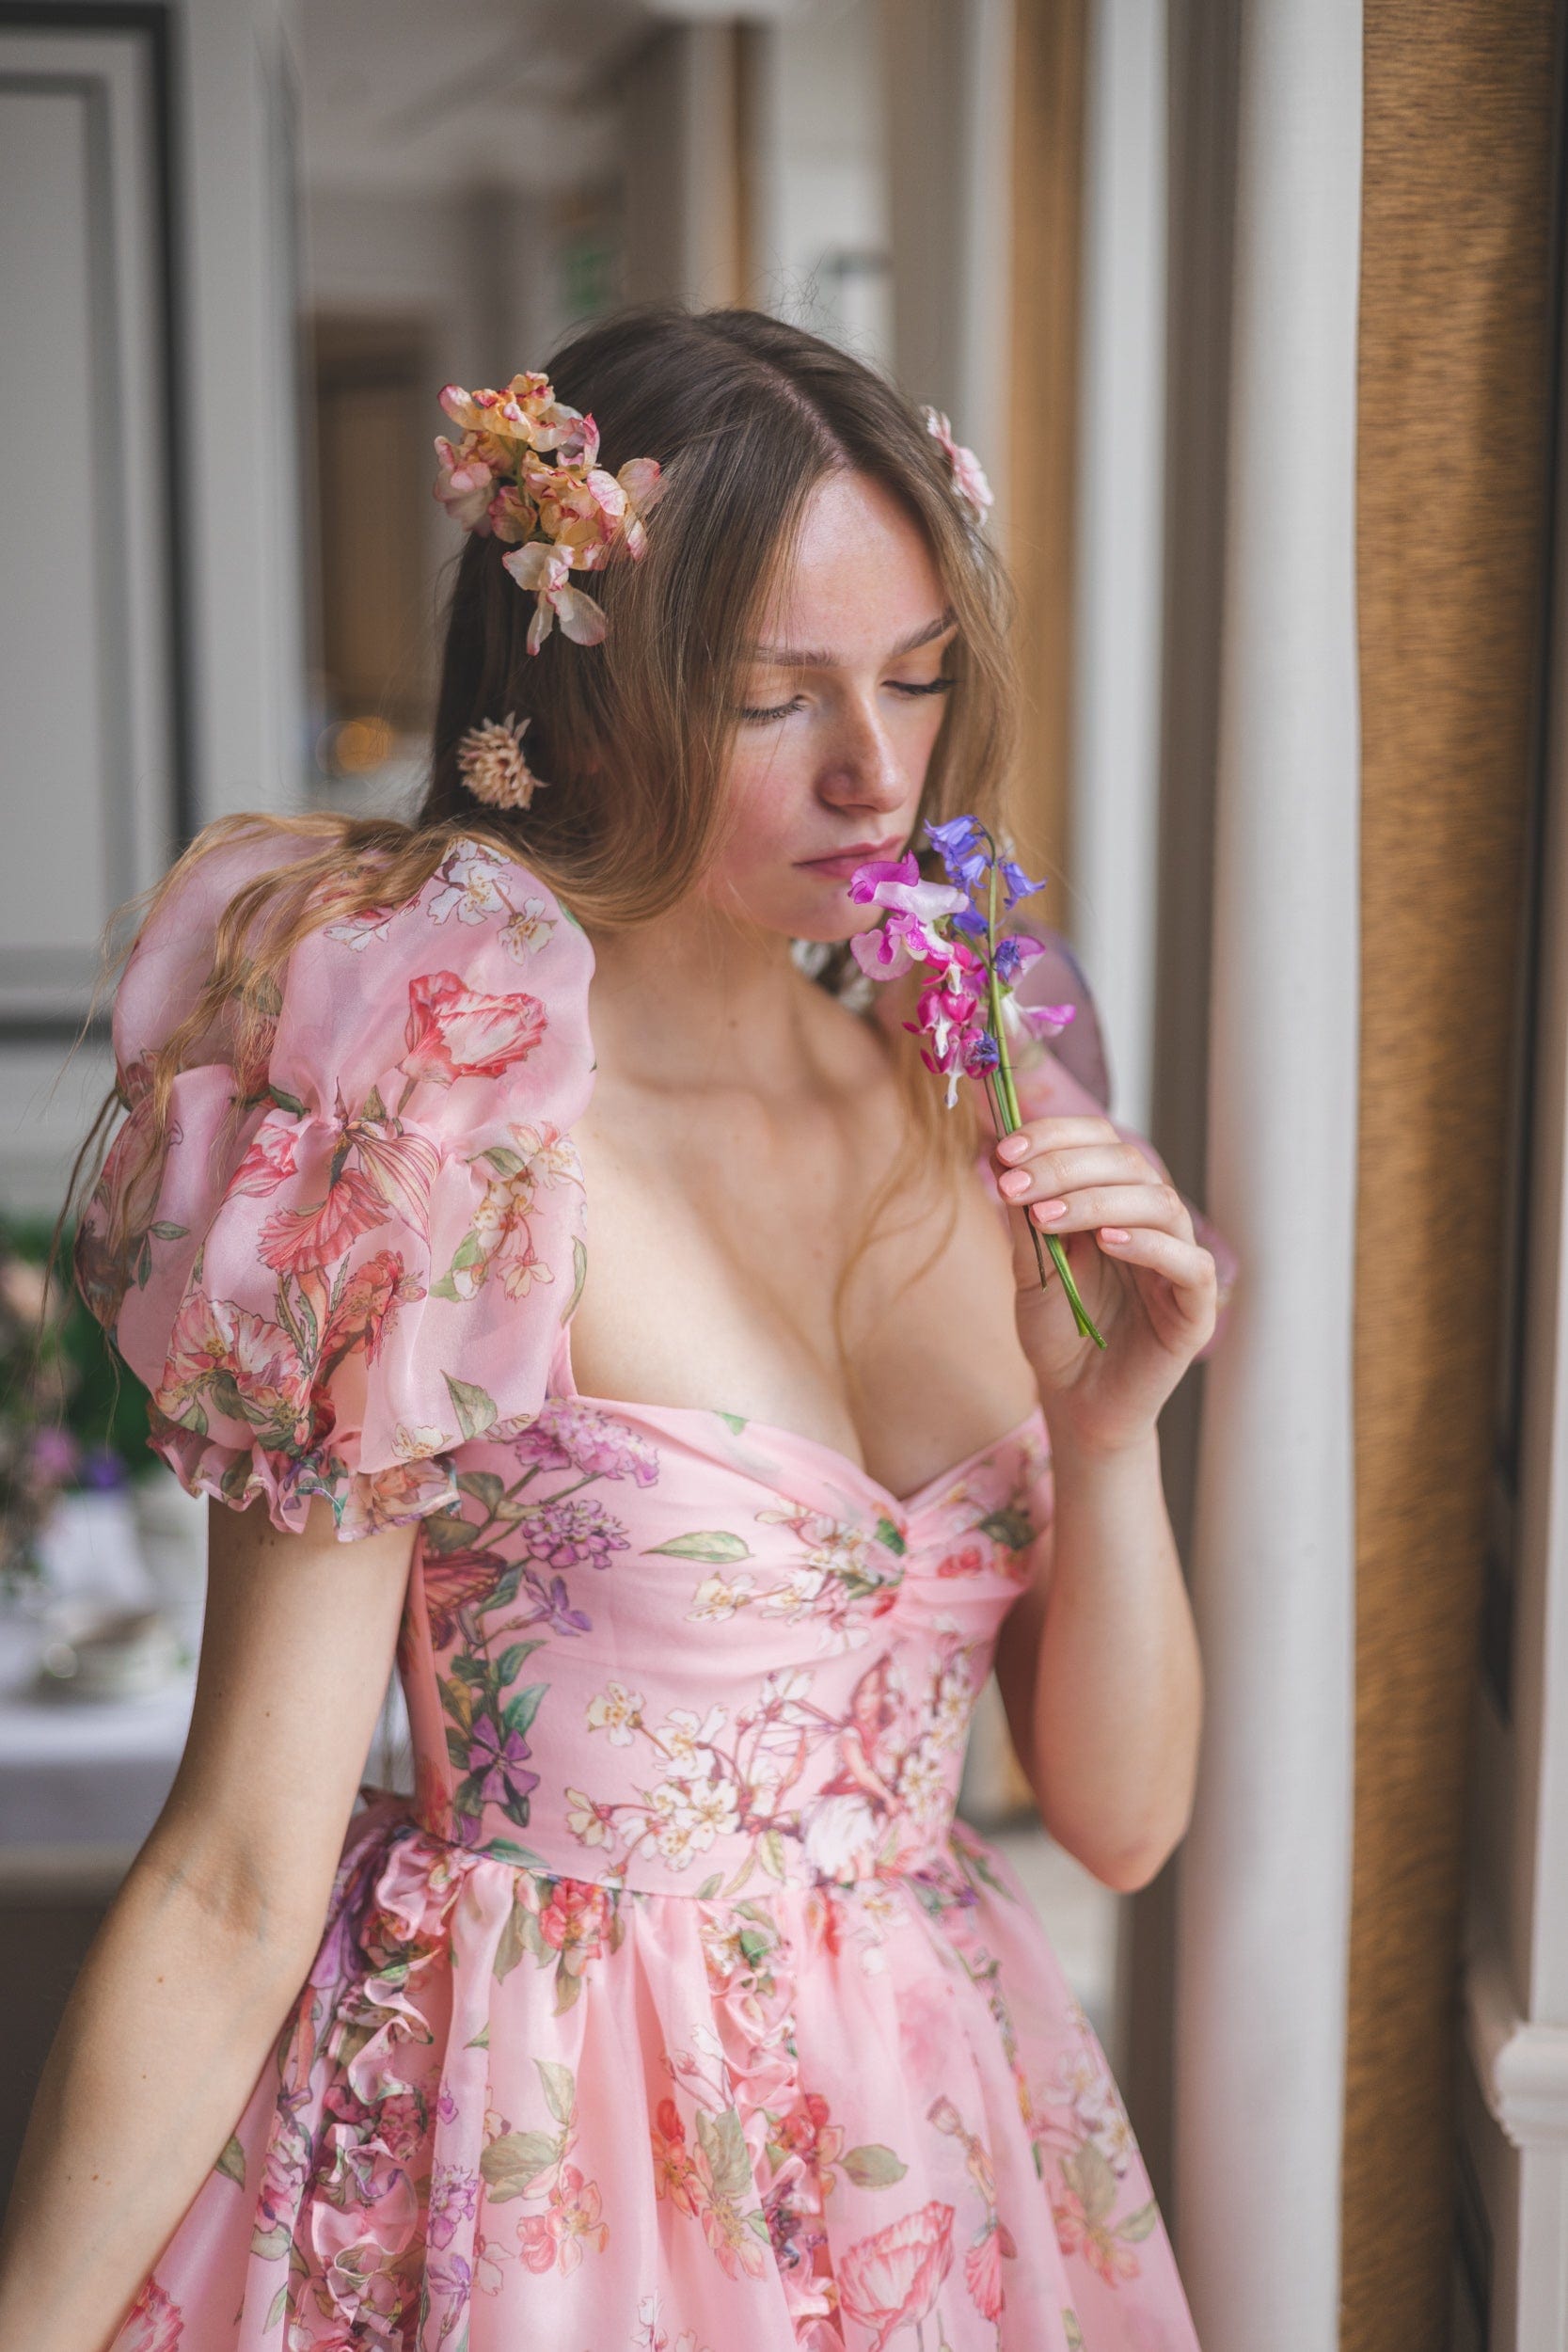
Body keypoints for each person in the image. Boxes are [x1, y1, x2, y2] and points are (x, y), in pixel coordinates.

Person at [0, 305, 1238, 2352]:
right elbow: (233, 1873)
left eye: (918, 676)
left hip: (939, 2147)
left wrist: (1108, 1437)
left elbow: (1120, 1819)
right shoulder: (430, 1120)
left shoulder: (986, 1095)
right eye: (776, 695)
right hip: (546, 2165)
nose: (878, 770)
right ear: (581, 696)